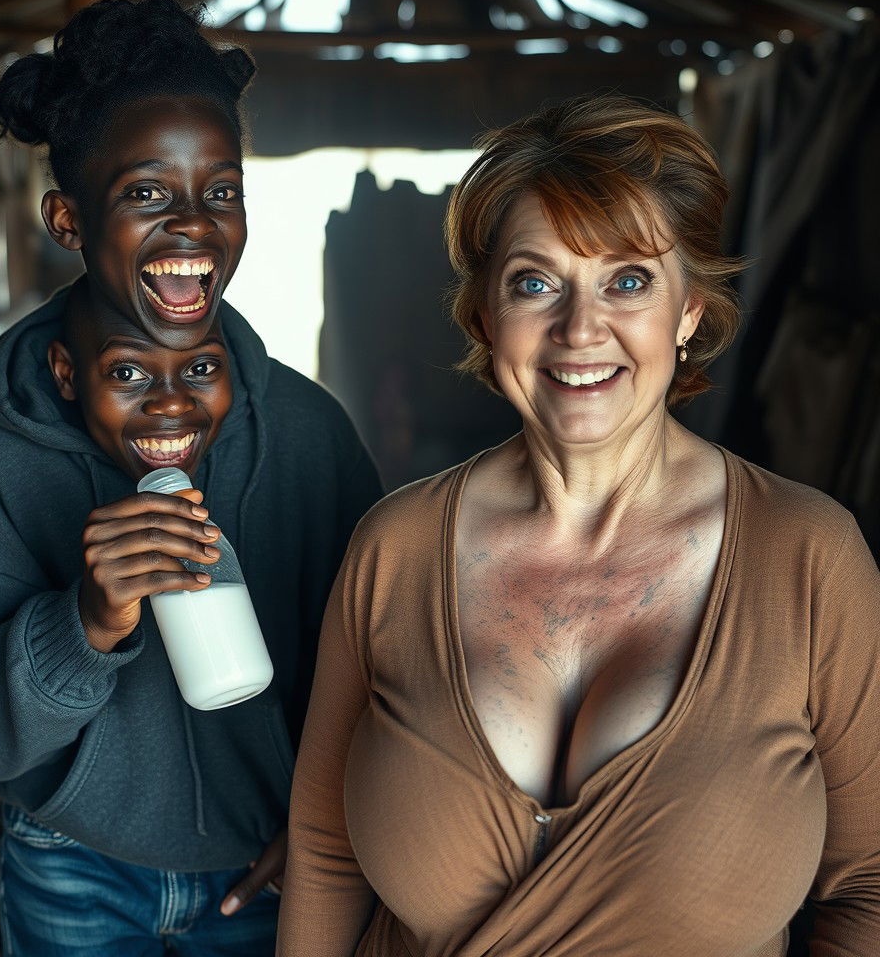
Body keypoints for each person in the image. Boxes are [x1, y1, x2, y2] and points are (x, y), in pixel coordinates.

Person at [277, 94, 880, 955]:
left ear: (690, 312)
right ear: (487, 317)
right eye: (535, 282)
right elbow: (327, 854)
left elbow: (869, 882)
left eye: (627, 280)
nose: (580, 328)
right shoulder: (395, 550)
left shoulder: (811, 558)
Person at [0, 0, 382, 956]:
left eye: (222, 190)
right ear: (68, 218)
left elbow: (385, 661)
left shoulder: (308, 437)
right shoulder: (6, 456)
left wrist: (333, 828)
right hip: (74, 859)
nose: (193, 225)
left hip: (267, 859)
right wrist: (82, 625)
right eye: (148, 194)